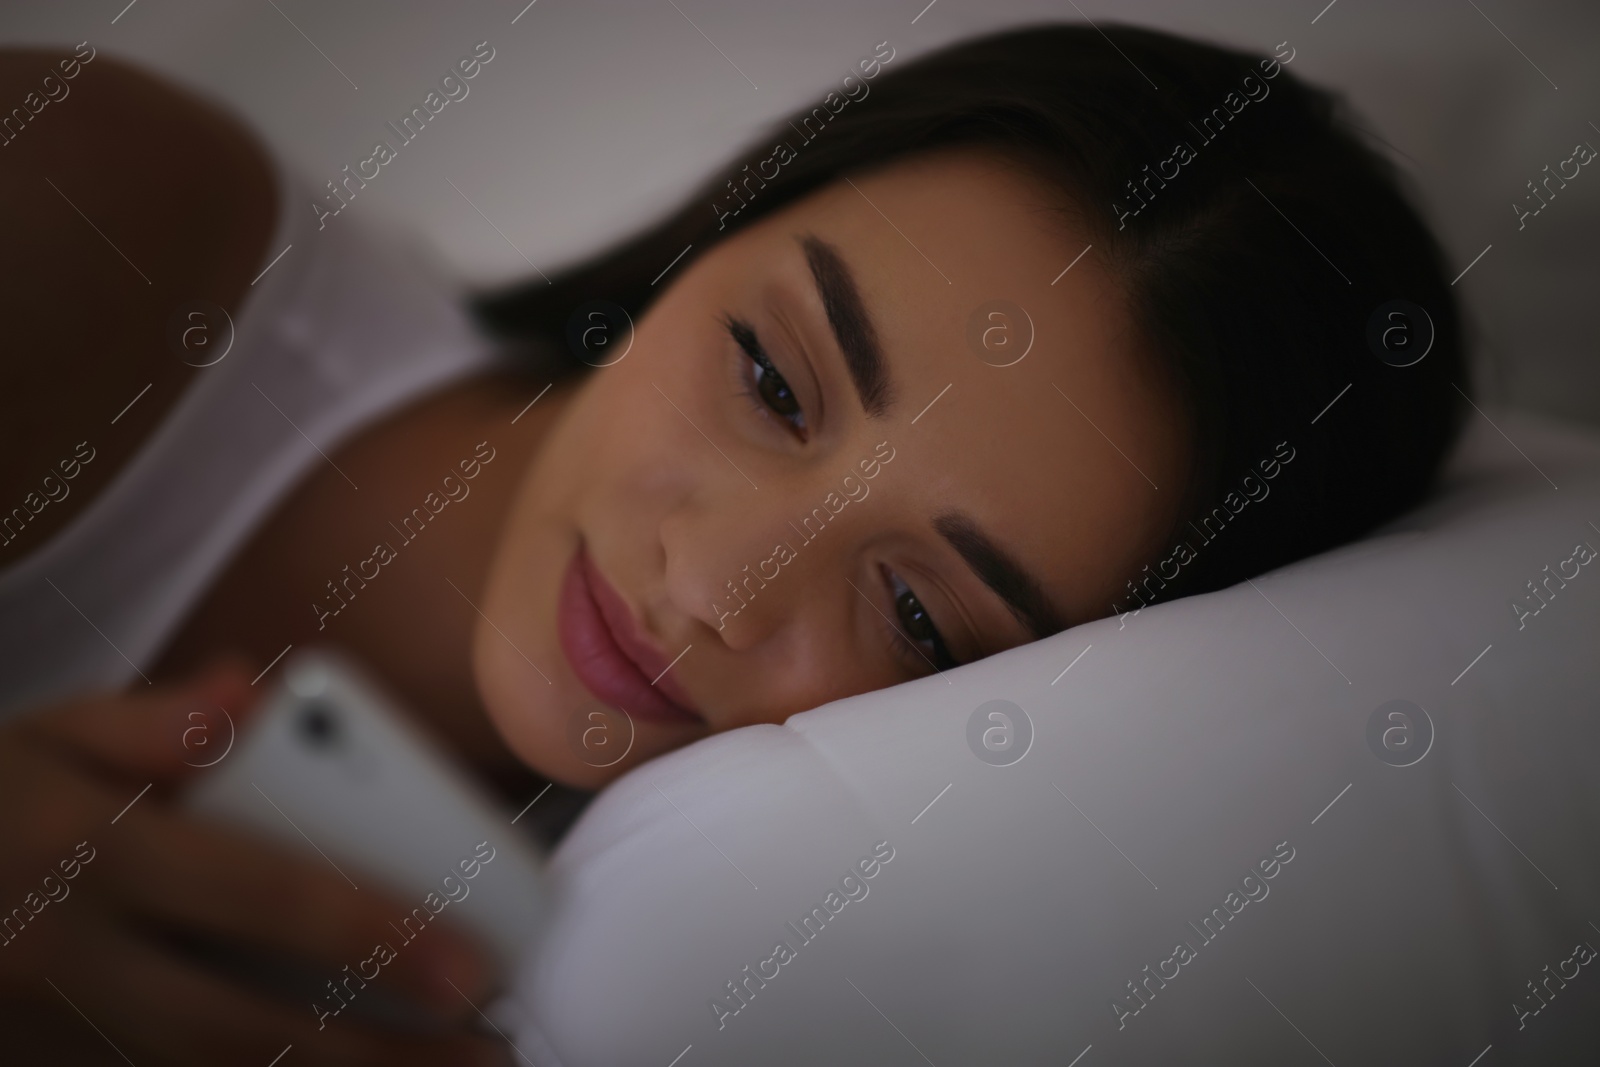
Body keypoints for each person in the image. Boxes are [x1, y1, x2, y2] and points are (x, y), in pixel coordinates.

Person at [0, 22, 1465, 1066]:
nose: (714, 589)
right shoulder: (93, 219)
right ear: (721, 232)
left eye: (918, 615)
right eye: (772, 382)